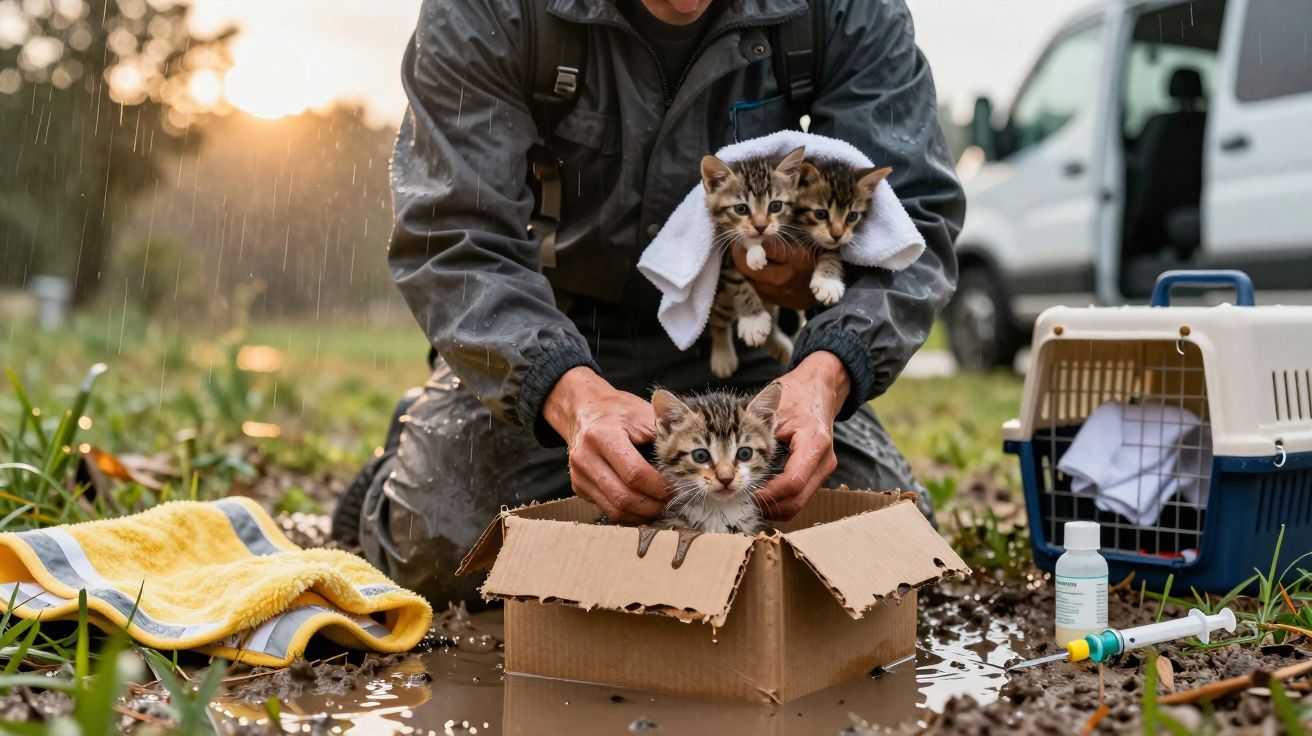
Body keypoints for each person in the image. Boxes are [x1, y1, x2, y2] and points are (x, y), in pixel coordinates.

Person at [331, 0, 965, 606]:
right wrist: (567, 394)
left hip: (739, 346)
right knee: (438, 549)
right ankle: (403, 459)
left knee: (890, 544)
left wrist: (830, 371)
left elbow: (916, 215)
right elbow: (453, 235)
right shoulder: (485, 11)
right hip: (551, 333)